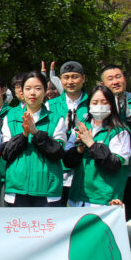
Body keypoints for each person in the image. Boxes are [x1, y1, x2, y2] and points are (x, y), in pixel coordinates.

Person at [0, 71, 68, 206]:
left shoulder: (56, 118)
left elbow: (57, 153)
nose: (32, 93)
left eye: (38, 88)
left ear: (45, 91)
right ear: (22, 91)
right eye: (28, 88)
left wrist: (36, 133)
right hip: (16, 190)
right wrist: (24, 135)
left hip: (47, 191)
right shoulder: (11, 117)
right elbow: (7, 153)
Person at [62, 84, 131, 207]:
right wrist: (79, 149)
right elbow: (67, 161)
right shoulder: (81, 127)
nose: (99, 106)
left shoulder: (120, 132)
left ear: (111, 104)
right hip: (77, 196)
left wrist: (92, 144)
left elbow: (113, 164)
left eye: (104, 102)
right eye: (95, 102)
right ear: (89, 105)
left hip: (102, 199)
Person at [101, 64, 131, 219]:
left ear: (125, 79)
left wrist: (130, 116)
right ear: (103, 84)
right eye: (110, 79)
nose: (115, 81)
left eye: (118, 77)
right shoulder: (98, 104)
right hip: (108, 168)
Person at [47, 61, 88, 205]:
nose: (70, 81)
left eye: (74, 77)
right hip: (56, 170)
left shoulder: (92, 104)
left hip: (83, 170)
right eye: (66, 77)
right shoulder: (49, 105)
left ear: (83, 78)